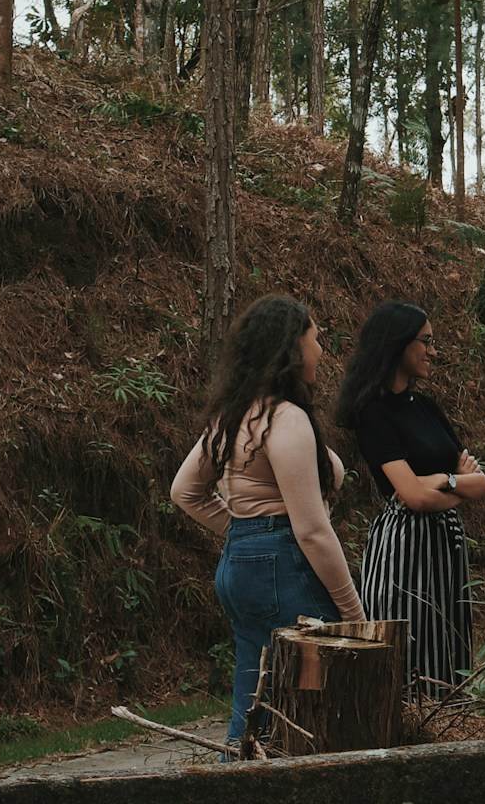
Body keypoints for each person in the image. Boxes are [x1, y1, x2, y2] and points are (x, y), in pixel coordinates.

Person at [171, 294, 364, 750]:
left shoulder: (233, 417)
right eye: (317, 340)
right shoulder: (285, 419)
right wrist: (355, 616)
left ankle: (239, 782)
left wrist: (245, 537)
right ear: (292, 349)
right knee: (313, 707)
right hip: (287, 572)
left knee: (255, 705)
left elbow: (185, 492)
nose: (322, 351)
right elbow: (312, 531)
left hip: (242, 569)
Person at [333, 301, 485, 698]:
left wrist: (440, 481)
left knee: (448, 642)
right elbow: (413, 498)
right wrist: (452, 482)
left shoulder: (426, 407)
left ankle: (445, 731)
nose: (433, 351)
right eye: (426, 341)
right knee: (409, 645)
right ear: (397, 344)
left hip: (447, 545)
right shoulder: (371, 412)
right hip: (404, 546)